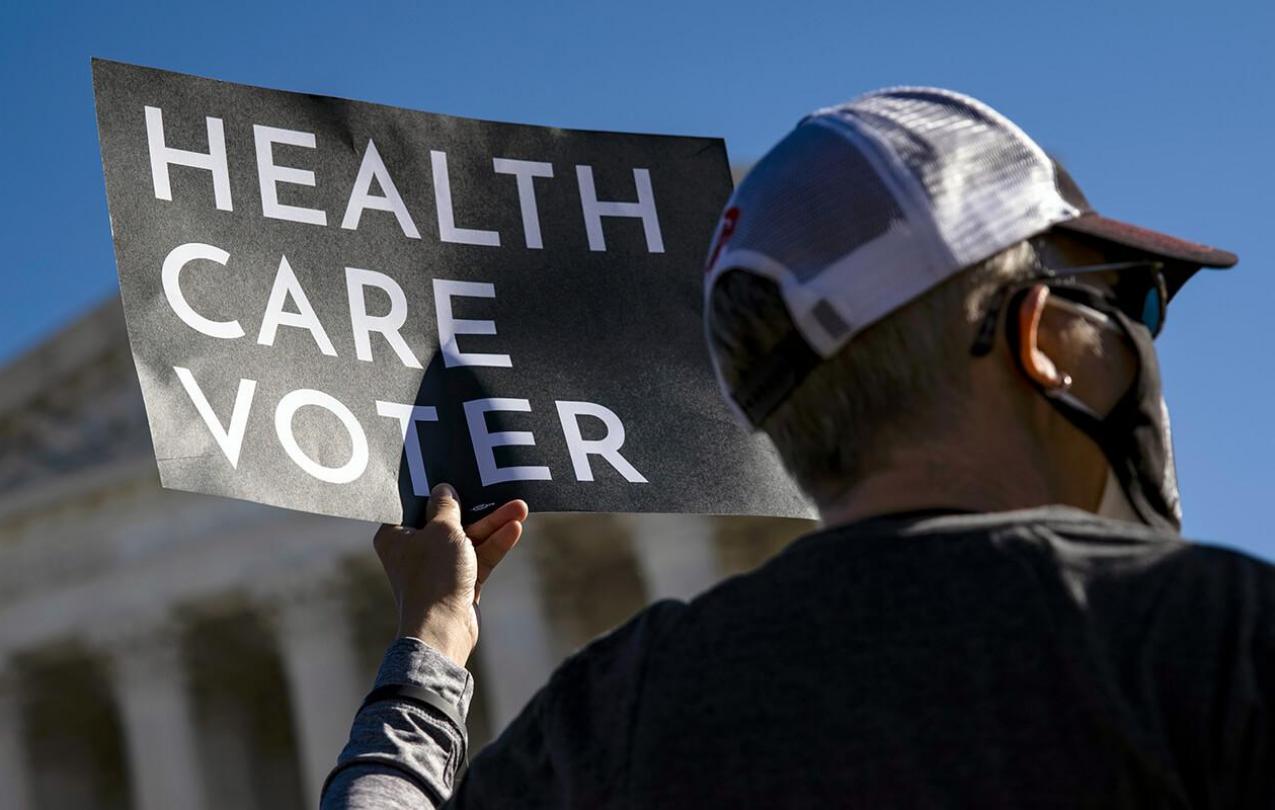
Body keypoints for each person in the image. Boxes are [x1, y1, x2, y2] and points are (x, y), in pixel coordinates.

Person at [321, 88, 1273, 808]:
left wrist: (431, 641)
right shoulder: (1209, 637)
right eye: (1128, 299)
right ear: (1038, 338)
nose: (1143, 345)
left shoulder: (619, 712)